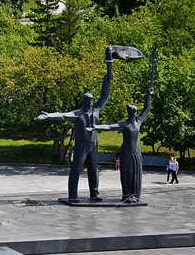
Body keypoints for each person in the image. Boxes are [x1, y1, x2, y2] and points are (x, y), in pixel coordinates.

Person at [37, 47, 134, 201]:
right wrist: (49, 115)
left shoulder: (96, 110)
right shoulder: (78, 114)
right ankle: (73, 195)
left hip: (94, 145)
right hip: (81, 145)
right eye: (88, 100)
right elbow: (63, 116)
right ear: (84, 101)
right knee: (76, 170)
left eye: (91, 100)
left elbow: (105, 94)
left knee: (93, 170)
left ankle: (94, 194)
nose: (90, 102)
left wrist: (108, 76)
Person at [87, 66, 155, 203]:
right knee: (127, 173)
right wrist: (96, 126)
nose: (133, 113)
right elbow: (109, 127)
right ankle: (127, 195)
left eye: (134, 111)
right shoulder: (124, 124)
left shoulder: (138, 121)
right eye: (131, 111)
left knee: (136, 174)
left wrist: (149, 94)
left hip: (136, 152)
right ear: (129, 112)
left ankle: (135, 195)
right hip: (126, 152)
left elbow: (147, 109)